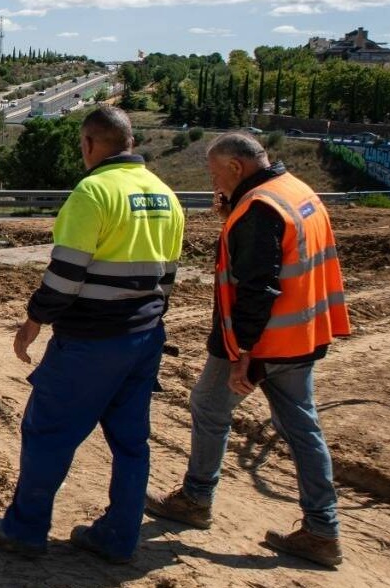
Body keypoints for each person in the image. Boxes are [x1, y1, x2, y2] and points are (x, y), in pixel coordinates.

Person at [0, 105, 184, 564]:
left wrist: (34, 320)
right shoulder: (164, 194)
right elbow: (168, 276)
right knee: (131, 443)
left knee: (47, 431)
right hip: (145, 335)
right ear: (129, 142)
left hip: (91, 341)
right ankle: (117, 537)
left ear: (89, 144)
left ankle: (26, 529)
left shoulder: (92, 194)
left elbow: (66, 275)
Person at [146, 131, 351, 569]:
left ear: (236, 168)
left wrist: (244, 354)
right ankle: (322, 529)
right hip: (304, 334)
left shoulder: (260, 210)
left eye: (215, 173)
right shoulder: (294, 190)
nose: (213, 182)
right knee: (301, 426)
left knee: (208, 404)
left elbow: (258, 286)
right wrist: (230, 218)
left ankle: (196, 499)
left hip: (264, 341)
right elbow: (275, 257)